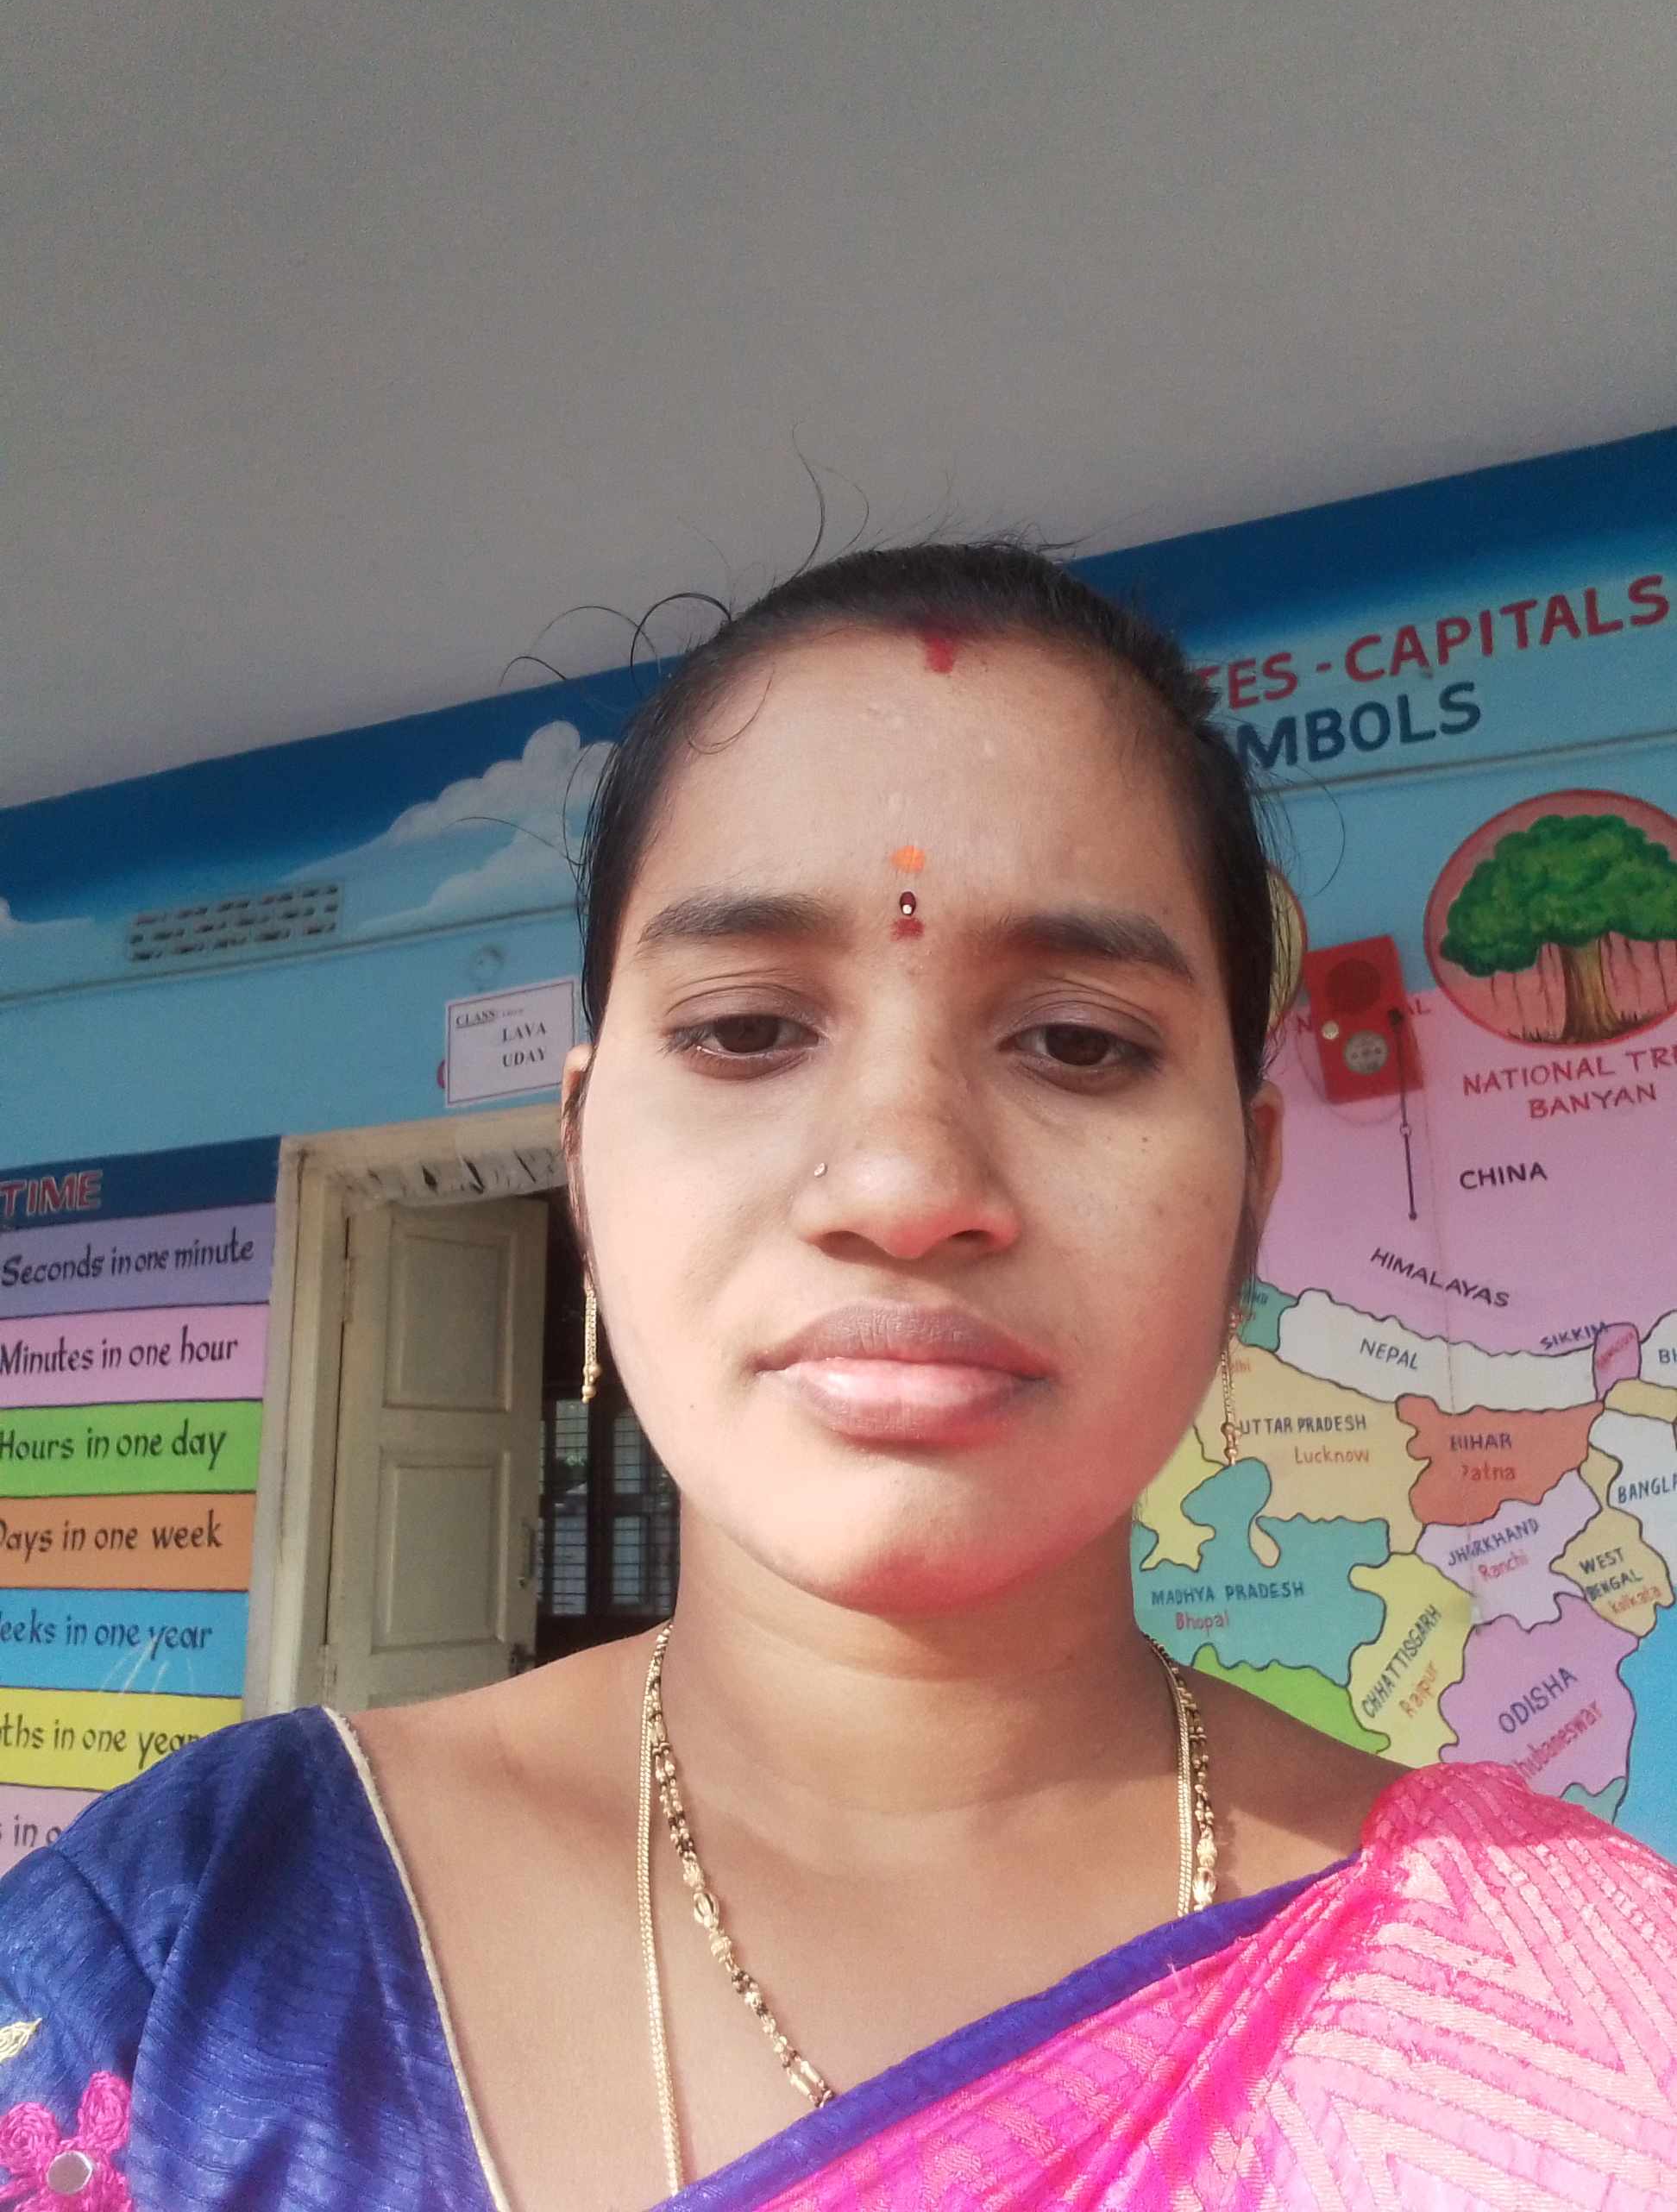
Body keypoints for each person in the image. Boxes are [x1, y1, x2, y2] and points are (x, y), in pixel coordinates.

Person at [3, 543, 1674, 2212]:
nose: (902, 1185)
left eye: (1078, 1042)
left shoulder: (1573, 2025)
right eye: (746, 1029)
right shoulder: (186, 1952)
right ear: (582, 1153)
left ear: (1250, 1187)